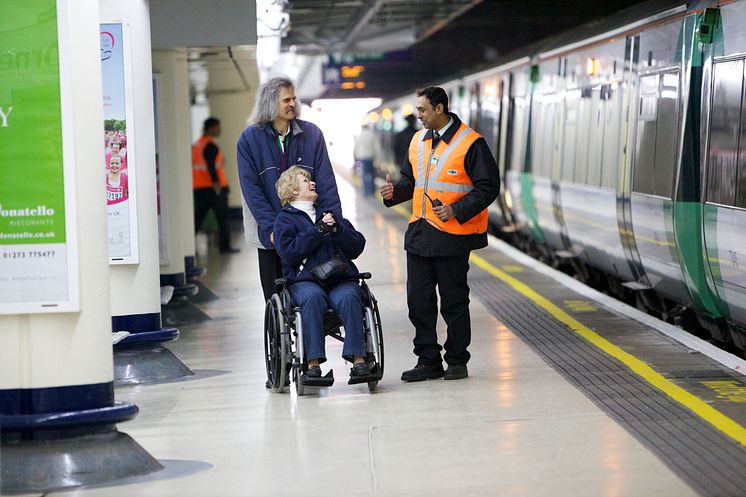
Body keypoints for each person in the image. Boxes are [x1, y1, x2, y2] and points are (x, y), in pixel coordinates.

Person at [380, 86, 500, 382]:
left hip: (452, 235)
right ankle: (428, 360)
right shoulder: (418, 141)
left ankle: (457, 360)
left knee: (453, 301)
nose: (417, 115)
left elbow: (488, 187)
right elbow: (413, 180)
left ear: (439, 108)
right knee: (418, 300)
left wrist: (457, 210)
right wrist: (395, 192)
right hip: (420, 231)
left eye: (422, 110)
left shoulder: (470, 142)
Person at [237, 76, 341, 302]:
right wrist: (273, 230)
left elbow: (326, 183)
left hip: (309, 232)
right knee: (275, 297)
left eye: (294, 98)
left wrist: (334, 223)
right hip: (269, 235)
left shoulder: (312, 134)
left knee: (313, 291)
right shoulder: (249, 140)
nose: (292, 103)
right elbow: (252, 191)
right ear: (269, 103)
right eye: (286, 99)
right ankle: (279, 337)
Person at [273, 166, 369, 379]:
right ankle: (313, 363)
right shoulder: (285, 219)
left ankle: (359, 360)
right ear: (293, 190)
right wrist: (317, 231)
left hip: (338, 278)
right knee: (312, 297)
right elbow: (289, 254)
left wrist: (338, 230)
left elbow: (357, 246)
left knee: (350, 296)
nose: (312, 182)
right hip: (304, 281)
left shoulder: (329, 213)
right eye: (305, 180)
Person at [192, 117, 238, 254]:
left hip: (199, 188)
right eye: (217, 127)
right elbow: (211, 167)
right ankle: (225, 247)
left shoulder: (197, 145)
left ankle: (186, 245)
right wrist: (217, 185)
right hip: (214, 188)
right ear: (211, 128)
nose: (219, 130)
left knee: (197, 219)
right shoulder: (210, 145)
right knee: (223, 218)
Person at [353, 123, 382, 197]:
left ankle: (366, 191)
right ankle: (372, 191)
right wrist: (378, 158)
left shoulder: (360, 136)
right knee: (372, 174)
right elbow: (377, 147)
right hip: (370, 157)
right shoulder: (372, 135)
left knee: (364, 174)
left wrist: (355, 157)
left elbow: (356, 147)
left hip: (362, 158)